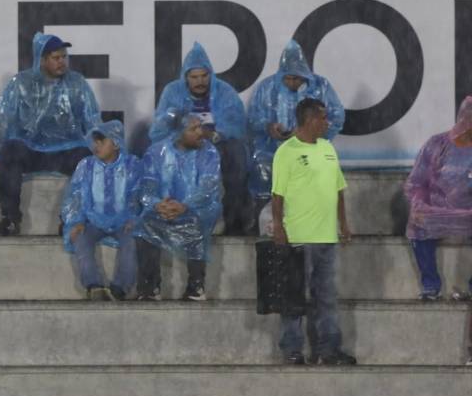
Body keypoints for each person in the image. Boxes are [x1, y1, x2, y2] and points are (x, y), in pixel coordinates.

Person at [0, 32, 101, 236]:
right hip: (31, 151)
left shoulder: (77, 83)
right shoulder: (20, 83)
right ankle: (10, 218)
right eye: (56, 58)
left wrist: (104, 151)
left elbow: (92, 120)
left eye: (64, 57)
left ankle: (71, 220)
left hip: (66, 151)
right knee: (10, 150)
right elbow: (1, 121)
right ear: (42, 60)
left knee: (86, 158)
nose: (62, 62)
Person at [271, 97, 357, 366]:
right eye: (323, 117)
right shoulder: (286, 152)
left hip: (326, 238)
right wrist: (278, 226)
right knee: (294, 297)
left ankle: (329, 350)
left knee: (327, 298)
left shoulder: (328, 148)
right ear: (309, 120)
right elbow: (277, 195)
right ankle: (292, 349)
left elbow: (338, 190)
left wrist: (343, 223)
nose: (327, 123)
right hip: (298, 238)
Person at [150, 41, 248, 235]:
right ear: (185, 77)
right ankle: (171, 213)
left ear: (211, 75)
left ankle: (229, 219)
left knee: (235, 153)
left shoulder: (224, 92)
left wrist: (214, 135)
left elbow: (236, 125)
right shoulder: (172, 92)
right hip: (181, 145)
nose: (200, 81)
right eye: (194, 77)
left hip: (217, 144)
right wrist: (184, 136)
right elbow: (158, 129)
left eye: (204, 76)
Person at [247, 39, 345, 216]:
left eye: (296, 78)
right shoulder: (266, 88)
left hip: (311, 149)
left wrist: (307, 134)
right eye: (287, 78)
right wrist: (268, 127)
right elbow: (253, 118)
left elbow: (336, 117)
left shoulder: (321, 87)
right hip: (272, 150)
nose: (291, 83)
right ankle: (263, 217)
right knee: (262, 168)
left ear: (304, 75)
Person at [134, 114, 221, 301]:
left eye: (200, 126)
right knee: (145, 224)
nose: (200, 132)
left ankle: (196, 287)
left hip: (198, 208)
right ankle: (149, 288)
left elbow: (207, 189)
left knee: (196, 222)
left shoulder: (209, 152)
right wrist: (158, 204)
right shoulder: (156, 152)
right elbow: (147, 187)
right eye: (193, 129)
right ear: (177, 133)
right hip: (164, 209)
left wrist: (185, 205)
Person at [61, 120, 142, 300]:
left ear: (116, 143)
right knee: (80, 238)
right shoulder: (86, 165)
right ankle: (94, 286)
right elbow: (75, 196)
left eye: (102, 142)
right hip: (93, 222)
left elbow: (138, 194)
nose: (96, 146)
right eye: (95, 142)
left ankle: (120, 288)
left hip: (124, 222)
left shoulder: (132, 165)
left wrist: (134, 218)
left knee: (132, 241)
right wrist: (77, 221)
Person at [404, 95, 472, 301]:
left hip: (469, 212)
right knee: (417, 224)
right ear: (464, 118)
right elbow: (416, 182)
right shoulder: (437, 144)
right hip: (437, 210)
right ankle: (431, 286)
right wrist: (420, 204)